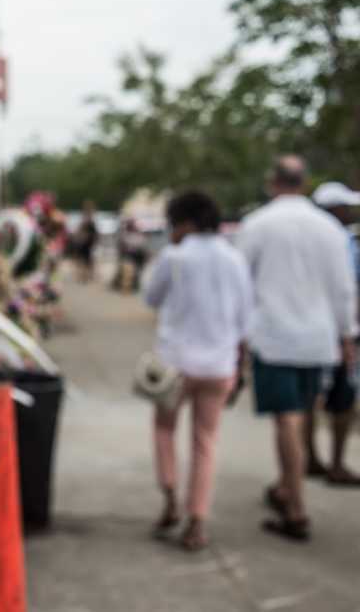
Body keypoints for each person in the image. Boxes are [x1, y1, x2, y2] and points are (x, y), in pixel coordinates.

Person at [237, 156, 359, 541]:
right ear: (304, 183)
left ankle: (296, 506)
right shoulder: (328, 229)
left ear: (273, 182)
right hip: (318, 338)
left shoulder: (257, 225)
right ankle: (288, 485)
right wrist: (346, 335)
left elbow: (241, 288)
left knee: (287, 418)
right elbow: (343, 289)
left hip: (274, 337)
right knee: (303, 412)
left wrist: (237, 339)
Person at [144, 190, 252, 551]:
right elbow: (245, 318)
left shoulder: (174, 257)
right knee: (206, 442)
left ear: (186, 223)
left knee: (164, 430)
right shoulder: (235, 259)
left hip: (176, 363)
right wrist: (242, 361)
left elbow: (151, 298)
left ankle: (171, 497)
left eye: (172, 224)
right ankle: (197, 521)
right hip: (219, 364)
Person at [305, 182, 360, 485]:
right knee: (343, 400)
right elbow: (348, 290)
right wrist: (349, 335)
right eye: (347, 206)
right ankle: (336, 463)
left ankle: (310, 458)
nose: (351, 211)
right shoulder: (341, 241)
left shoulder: (306, 240)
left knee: (309, 399)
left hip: (311, 330)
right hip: (339, 331)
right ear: (335, 209)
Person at [72, 200, 99, 283]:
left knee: (85, 259)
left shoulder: (86, 218)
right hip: (85, 242)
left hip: (85, 242)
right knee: (86, 259)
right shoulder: (88, 218)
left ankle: (83, 275)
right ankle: (84, 275)